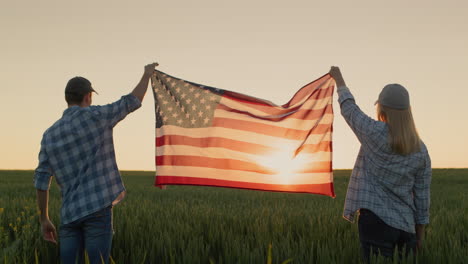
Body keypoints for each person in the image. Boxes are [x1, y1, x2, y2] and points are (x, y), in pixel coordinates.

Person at [34, 62, 159, 264]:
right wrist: (146, 75)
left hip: (69, 216)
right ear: (88, 97)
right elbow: (132, 101)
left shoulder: (49, 135)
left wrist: (44, 219)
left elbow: (41, 181)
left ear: (67, 99)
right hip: (97, 211)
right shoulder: (97, 116)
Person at [329, 66, 431, 262]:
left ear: (382, 109)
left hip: (375, 223)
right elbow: (422, 198)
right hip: (406, 227)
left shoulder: (374, 132)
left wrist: (339, 79)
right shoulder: (421, 150)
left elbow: (349, 110)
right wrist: (419, 235)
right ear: (407, 112)